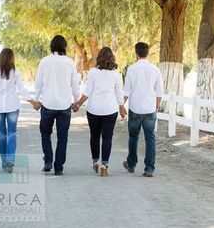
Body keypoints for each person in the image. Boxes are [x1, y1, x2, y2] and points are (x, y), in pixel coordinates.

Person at [73, 47, 127, 176]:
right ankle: (104, 165)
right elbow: (119, 95)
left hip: (94, 109)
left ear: (99, 58)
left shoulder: (93, 73)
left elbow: (87, 92)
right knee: (107, 137)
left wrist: (78, 104)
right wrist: (122, 108)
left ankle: (95, 162)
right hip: (110, 109)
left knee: (95, 136)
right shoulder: (116, 75)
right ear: (112, 59)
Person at [0, 48, 40, 173]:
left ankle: (4, 163)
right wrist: (32, 102)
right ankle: (10, 161)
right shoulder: (15, 72)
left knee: (2, 135)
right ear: (12, 58)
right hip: (12, 107)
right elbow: (21, 89)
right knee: (12, 134)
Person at [34, 35, 80, 176]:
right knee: (63, 137)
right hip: (64, 105)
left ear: (51, 46)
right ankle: (59, 167)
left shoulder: (44, 61)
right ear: (64, 47)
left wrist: (36, 99)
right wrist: (76, 101)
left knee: (45, 133)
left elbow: (39, 83)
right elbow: (75, 84)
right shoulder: (70, 62)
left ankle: (48, 160)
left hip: (48, 104)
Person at [122, 42, 163, 177]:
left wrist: (121, 106)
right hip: (150, 108)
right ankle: (149, 168)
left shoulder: (132, 69)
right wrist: (156, 106)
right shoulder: (155, 69)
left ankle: (132, 163)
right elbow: (159, 92)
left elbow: (126, 91)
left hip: (135, 108)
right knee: (150, 138)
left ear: (136, 52)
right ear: (148, 52)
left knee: (133, 137)